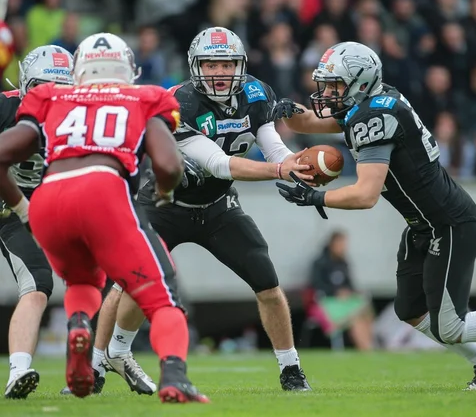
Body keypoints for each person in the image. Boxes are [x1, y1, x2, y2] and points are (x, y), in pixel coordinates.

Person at [272, 41, 476, 390]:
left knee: (451, 325)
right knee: (412, 310)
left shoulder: (374, 116)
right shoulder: (373, 102)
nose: (328, 93)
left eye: (336, 85)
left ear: (360, 82)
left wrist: (316, 196)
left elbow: (365, 195)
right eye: (326, 84)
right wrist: (285, 112)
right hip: (423, 225)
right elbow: (316, 122)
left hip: (448, 223)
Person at [83, 27, 312, 392]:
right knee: (130, 282)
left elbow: (274, 149)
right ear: (195, 66)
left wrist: (299, 164)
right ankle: (101, 361)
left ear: (240, 64)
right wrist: (280, 170)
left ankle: (291, 368)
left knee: (267, 283)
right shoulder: (180, 104)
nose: (220, 72)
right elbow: (221, 165)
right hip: (165, 204)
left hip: (217, 206)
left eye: (227, 64)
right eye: (211, 64)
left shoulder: (255, 93)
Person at [0, 32, 209, 403]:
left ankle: (80, 323)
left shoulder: (51, 97)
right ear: (128, 69)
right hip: (104, 193)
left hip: (48, 201)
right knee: (163, 294)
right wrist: (166, 191)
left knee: (83, 279)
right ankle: (175, 374)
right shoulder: (146, 96)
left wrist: (21, 208)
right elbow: (167, 163)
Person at [0, 44, 72, 399]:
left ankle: (97, 364)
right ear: (26, 85)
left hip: (54, 205)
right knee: (38, 282)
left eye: (62, 91)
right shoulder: (6, 107)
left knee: (102, 277)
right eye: (44, 89)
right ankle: (19, 368)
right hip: (10, 206)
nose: (52, 99)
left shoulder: (81, 117)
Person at [309, 231, 373, 350]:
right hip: (328, 302)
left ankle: (369, 344)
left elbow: (350, 285)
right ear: (332, 244)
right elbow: (316, 285)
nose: (343, 247)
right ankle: (366, 348)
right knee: (355, 317)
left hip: (345, 301)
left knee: (365, 310)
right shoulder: (319, 263)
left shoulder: (343, 263)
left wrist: (349, 292)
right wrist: (336, 292)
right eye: (340, 243)